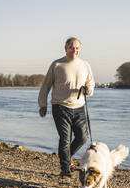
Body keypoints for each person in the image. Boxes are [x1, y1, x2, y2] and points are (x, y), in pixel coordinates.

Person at [38, 37, 95, 178]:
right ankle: (65, 169)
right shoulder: (57, 64)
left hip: (80, 107)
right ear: (66, 48)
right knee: (65, 139)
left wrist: (88, 90)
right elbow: (46, 86)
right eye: (71, 47)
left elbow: (91, 83)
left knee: (83, 137)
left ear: (80, 49)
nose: (74, 50)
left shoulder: (85, 65)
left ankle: (66, 157)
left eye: (77, 48)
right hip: (60, 106)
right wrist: (42, 104)